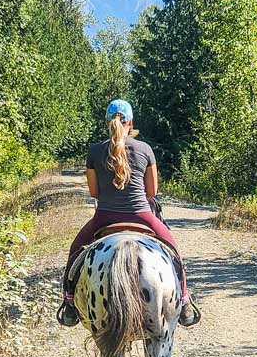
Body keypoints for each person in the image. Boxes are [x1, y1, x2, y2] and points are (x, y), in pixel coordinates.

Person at [58, 99, 200, 328]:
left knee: (75, 252)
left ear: (106, 123)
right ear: (131, 122)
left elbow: (94, 192)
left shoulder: (95, 151)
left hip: (104, 217)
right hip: (142, 216)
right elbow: (152, 192)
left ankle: (70, 303)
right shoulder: (145, 149)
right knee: (174, 252)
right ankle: (184, 302)